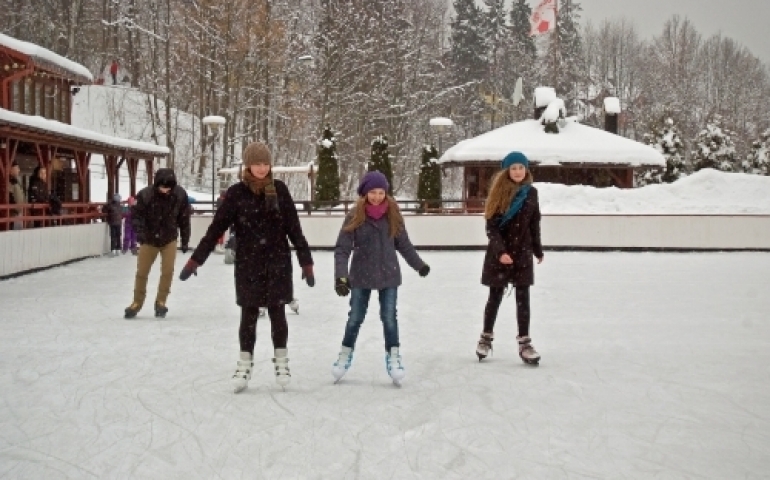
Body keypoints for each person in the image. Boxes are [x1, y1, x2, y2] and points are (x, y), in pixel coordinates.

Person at [179, 142, 314, 393]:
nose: (262, 168)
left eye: (265, 164)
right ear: (248, 165)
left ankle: (281, 362)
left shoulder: (280, 190)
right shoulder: (236, 194)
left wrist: (306, 261)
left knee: (278, 313)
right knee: (248, 315)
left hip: (277, 261)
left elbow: (294, 229)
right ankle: (244, 363)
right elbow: (215, 229)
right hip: (248, 263)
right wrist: (196, 259)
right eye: (257, 163)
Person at [331, 170, 430, 386]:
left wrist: (418, 265)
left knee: (389, 318)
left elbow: (403, 244)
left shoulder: (393, 214)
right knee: (355, 317)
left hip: (388, 274)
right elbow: (342, 249)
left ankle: (393, 357)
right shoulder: (355, 215)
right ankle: (345, 354)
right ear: (365, 193)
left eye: (381, 192)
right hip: (361, 275)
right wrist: (341, 277)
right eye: (372, 192)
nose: (377, 196)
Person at [476, 151, 544, 365]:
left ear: (526, 170)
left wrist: (537, 249)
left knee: (523, 298)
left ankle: (525, 343)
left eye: (521, 168)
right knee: (494, 296)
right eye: (513, 168)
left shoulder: (532, 193)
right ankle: (486, 337)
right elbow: (492, 229)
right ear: (507, 171)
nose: (517, 172)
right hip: (500, 252)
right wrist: (501, 252)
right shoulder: (498, 193)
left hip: (522, 252)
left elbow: (534, 223)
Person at [124, 168, 191, 319]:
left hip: (169, 239)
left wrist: (185, 239)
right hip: (148, 239)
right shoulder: (145, 195)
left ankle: (161, 301)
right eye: (162, 187)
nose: (165, 190)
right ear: (156, 184)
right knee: (142, 272)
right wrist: (140, 233)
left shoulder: (180, 195)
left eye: (168, 187)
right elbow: (136, 216)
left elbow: (184, 218)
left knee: (167, 272)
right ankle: (136, 302)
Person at [8, 161, 25, 230]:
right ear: (11, 169)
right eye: (17, 168)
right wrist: (15, 208)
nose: (19, 170)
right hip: (12, 214)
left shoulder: (16, 181)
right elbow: (9, 197)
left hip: (18, 213)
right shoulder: (8, 182)